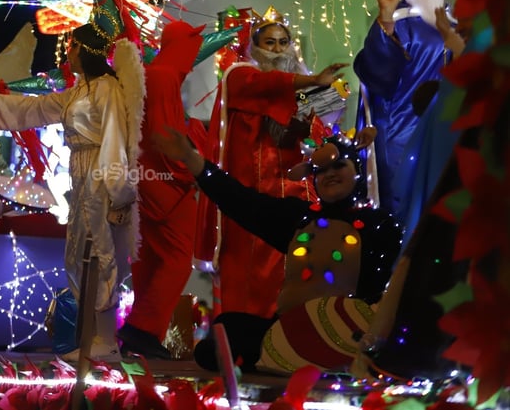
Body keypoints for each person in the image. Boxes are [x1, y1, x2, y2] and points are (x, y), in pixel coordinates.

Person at [154, 125, 402, 374]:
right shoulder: (300, 217)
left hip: (347, 334)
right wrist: (190, 158)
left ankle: (310, 363)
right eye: (321, 170)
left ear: (357, 171)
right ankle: (291, 361)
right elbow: (239, 199)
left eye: (339, 166)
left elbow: (387, 292)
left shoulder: (379, 224)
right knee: (225, 331)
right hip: (289, 332)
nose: (329, 175)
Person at [0, 10, 144, 363]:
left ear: (86, 50)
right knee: (78, 251)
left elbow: (114, 139)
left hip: (99, 171)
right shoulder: (79, 89)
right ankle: (89, 335)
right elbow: (40, 108)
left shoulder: (108, 89)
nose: (68, 52)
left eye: (72, 46)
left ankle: (107, 339)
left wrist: (119, 192)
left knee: (101, 250)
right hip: (79, 172)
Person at [198, 5, 349, 326]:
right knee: (247, 271)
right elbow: (267, 86)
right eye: (270, 43)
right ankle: (243, 341)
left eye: (284, 42)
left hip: (292, 195)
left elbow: (316, 137)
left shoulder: (301, 91)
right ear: (255, 46)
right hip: (249, 199)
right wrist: (313, 79)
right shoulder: (238, 75)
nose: (278, 49)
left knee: (292, 268)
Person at [354, 0, 466, 213]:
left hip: (454, 134)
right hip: (404, 137)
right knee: (411, 212)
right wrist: (386, 16)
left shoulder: (460, 27)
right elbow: (377, 74)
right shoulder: (398, 24)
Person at [116, 20, 205, 360]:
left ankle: (143, 332)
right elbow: (164, 135)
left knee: (151, 258)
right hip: (166, 179)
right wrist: (192, 167)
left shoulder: (155, 72)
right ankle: (143, 328)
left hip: (143, 176)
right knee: (178, 258)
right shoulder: (165, 75)